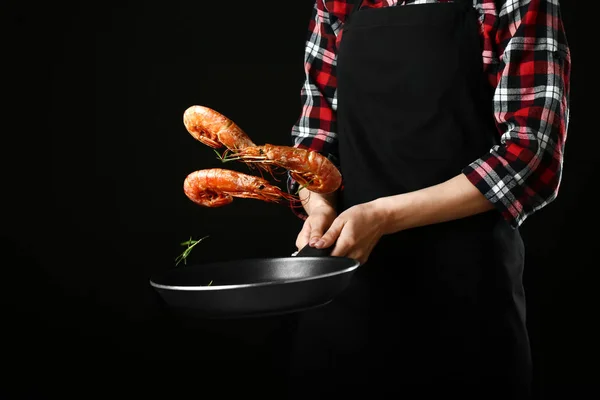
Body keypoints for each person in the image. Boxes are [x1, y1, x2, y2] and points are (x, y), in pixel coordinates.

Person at [284, 0, 571, 399]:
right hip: (346, 295)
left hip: (465, 303)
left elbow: (530, 154)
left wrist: (383, 216)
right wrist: (319, 206)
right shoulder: (336, 5)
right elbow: (314, 139)